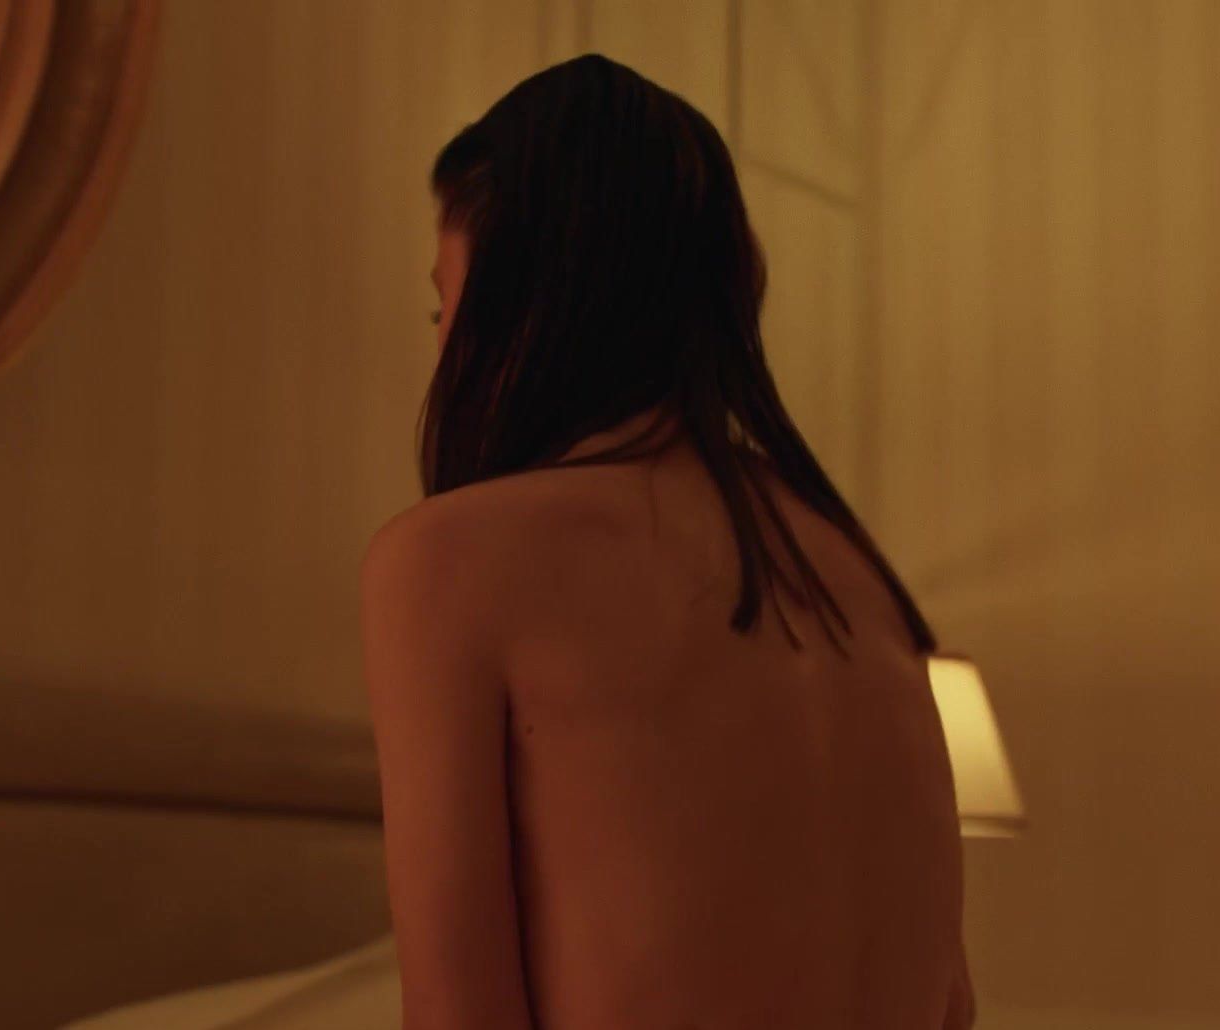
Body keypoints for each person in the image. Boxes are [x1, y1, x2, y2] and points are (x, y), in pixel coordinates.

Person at [361, 54, 975, 1029]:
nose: (443, 345)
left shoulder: (451, 564)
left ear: (525, 296)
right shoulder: (861, 579)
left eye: (448, 304)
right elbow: (952, 1005)